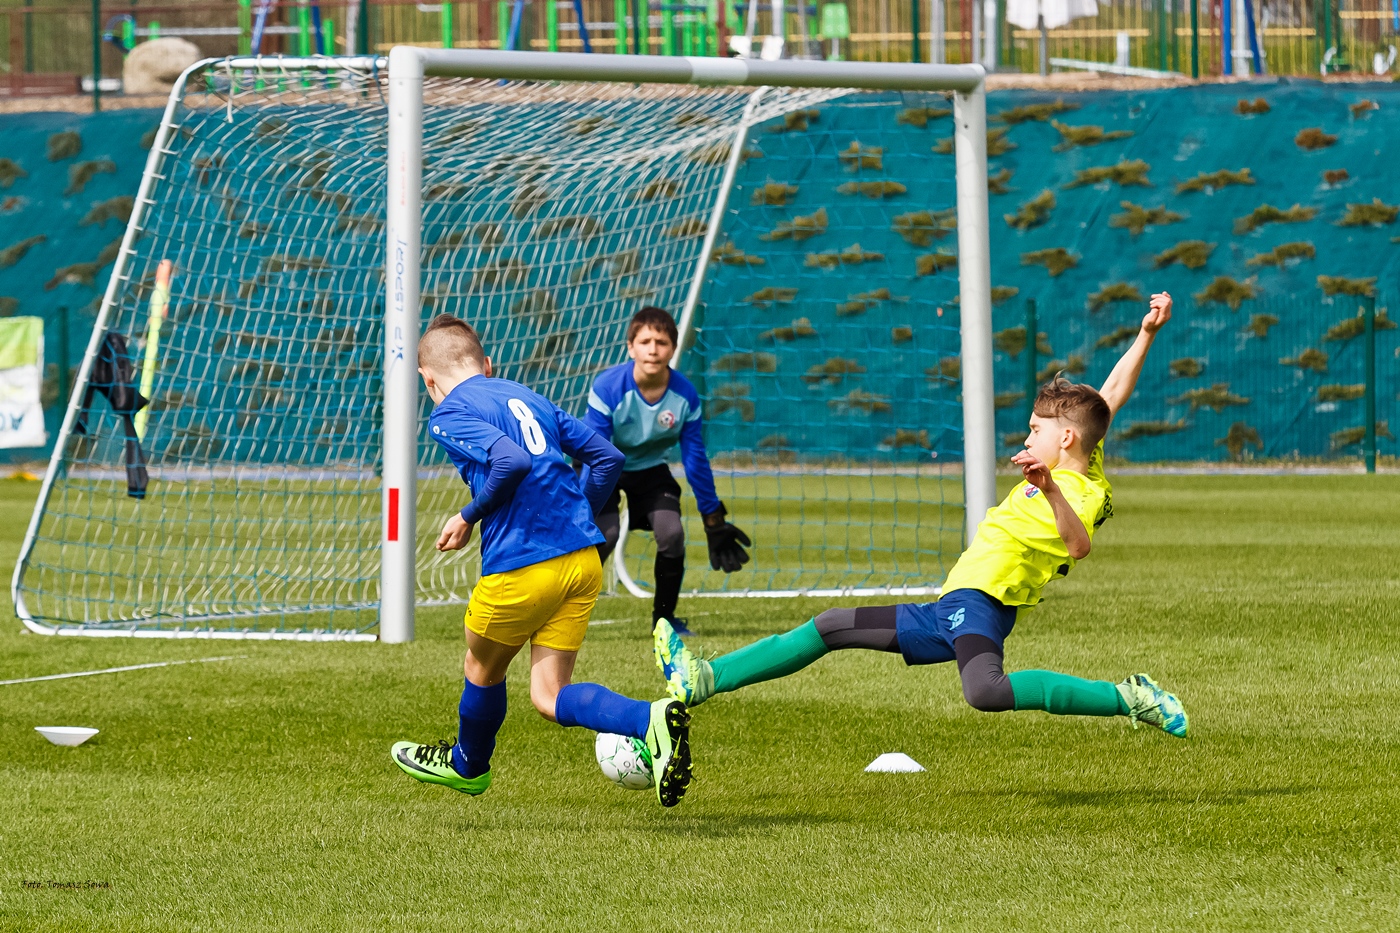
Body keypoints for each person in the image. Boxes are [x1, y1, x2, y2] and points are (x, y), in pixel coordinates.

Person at [653, 293, 1190, 739]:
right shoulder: (1083, 447)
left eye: (1035, 429)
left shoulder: (1080, 488)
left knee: (985, 691)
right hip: (952, 605)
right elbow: (1108, 398)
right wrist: (1147, 333)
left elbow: (1077, 545)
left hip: (982, 604)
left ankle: (1128, 697)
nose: (1028, 437)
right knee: (830, 627)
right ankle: (704, 677)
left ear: (1065, 438)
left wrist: (1048, 488)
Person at [390, 314, 693, 807]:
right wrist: (577, 513)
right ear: (487, 365)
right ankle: (650, 719)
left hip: (522, 565)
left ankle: (468, 766)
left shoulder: (448, 414)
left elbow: (512, 461)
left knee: (480, 664)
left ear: (428, 380)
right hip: (581, 561)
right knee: (549, 695)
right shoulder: (528, 396)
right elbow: (608, 459)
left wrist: (468, 515)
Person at [584, 306, 751, 635]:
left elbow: (694, 458)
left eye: (661, 341)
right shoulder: (607, 387)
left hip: (649, 470)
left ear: (673, 349)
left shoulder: (685, 395)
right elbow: (594, 451)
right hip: (603, 465)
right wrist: (581, 511)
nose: (653, 349)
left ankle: (664, 620)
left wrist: (712, 517)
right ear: (630, 347)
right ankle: (564, 612)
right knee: (602, 536)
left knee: (672, 534)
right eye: (644, 341)